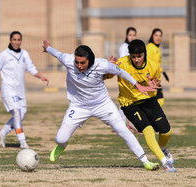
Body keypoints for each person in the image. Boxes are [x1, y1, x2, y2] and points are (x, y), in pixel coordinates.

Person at [42, 40, 160, 171]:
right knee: (60, 138)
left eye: (83, 63)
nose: (79, 66)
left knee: (123, 130)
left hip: (103, 105)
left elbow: (122, 72)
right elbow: (57, 53)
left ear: (90, 60)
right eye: (77, 62)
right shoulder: (69, 60)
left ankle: (146, 162)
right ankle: (62, 146)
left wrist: (138, 85)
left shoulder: (102, 64)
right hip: (78, 106)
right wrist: (48, 48)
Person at [106, 39, 176, 172]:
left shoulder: (153, 65)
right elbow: (105, 76)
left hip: (149, 100)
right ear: (129, 55)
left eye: (139, 56)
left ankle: (161, 149)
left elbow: (155, 84)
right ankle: (164, 161)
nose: (137, 60)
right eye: (133, 57)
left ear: (144, 54)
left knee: (167, 131)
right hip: (129, 103)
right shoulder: (122, 63)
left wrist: (152, 87)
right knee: (147, 129)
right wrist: (108, 66)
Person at [0, 31, 49, 149]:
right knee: (16, 112)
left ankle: (2, 133)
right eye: (14, 39)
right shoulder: (4, 55)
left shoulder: (24, 54)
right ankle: (23, 142)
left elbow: (31, 68)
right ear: (10, 40)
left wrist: (40, 76)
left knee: (21, 116)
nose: (16, 42)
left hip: (20, 91)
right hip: (8, 89)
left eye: (19, 40)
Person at [146, 28, 169, 106]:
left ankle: (151, 116)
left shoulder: (157, 48)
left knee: (159, 101)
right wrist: (148, 77)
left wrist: (163, 72)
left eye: (160, 36)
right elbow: (147, 63)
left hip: (157, 78)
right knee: (158, 101)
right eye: (156, 35)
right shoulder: (150, 47)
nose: (158, 37)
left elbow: (156, 64)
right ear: (152, 36)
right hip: (152, 79)